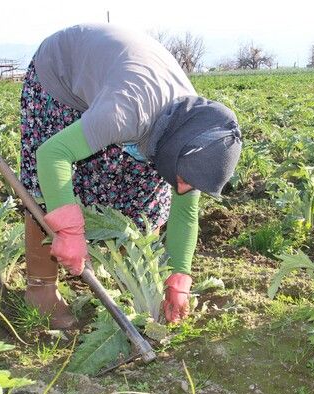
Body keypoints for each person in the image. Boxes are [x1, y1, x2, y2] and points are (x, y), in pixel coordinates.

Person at [20, 23, 242, 329]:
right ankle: (40, 288)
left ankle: (121, 275)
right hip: (62, 77)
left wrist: (179, 275)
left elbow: (186, 214)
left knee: (144, 193)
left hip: (119, 89)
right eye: (184, 178)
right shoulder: (127, 111)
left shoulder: (193, 133)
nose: (184, 187)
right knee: (48, 186)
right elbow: (51, 155)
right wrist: (68, 229)